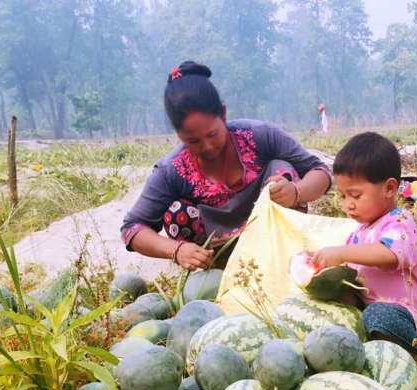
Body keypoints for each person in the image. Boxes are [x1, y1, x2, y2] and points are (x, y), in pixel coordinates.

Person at [121, 61, 332, 271]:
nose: (208, 147)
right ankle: (219, 270)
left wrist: (295, 192)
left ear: (223, 114)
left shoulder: (259, 136)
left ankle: (281, 259)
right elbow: (132, 228)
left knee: (282, 168)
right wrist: (177, 250)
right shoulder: (172, 169)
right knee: (176, 211)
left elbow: (320, 172)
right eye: (193, 141)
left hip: (272, 241)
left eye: (213, 134)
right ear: (179, 135)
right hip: (215, 255)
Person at [311, 132, 417, 353]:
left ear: (389, 188)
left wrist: (342, 253)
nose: (347, 205)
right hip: (369, 315)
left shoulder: (400, 222)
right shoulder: (357, 234)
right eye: (342, 196)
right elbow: (353, 282)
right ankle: (364, 344)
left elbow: (388, 256)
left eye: (355, 196)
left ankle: (397, 351)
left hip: (409, 319)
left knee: (378, 315)